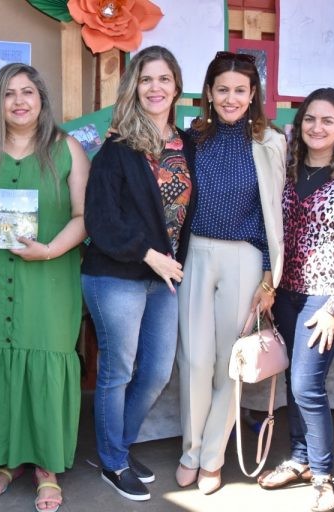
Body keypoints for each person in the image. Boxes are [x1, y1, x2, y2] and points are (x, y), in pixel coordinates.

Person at [0, 63, 90, 512]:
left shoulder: (67, 149)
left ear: (41, 98)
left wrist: (49, 250)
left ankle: (46, 467)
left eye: (27, 91)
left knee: (44, 358)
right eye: (9, 93)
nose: (19, 101)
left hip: (49, 279)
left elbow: (84, 217)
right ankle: (5, 459)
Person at [82, 45, 194, 502]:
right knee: (118, 371)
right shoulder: (118, 147)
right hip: (116, 275)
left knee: (157, 372)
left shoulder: (186, 145)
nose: (155, 87)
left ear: (176, 86)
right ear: (134, 87)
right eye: (146, 79)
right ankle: (113, 462)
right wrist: (148, 254)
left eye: (164, 79)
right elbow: (100, 219)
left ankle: (118, 448)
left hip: (164, 278)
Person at [256, 88, 334, 512]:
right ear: (299, 124)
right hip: (286, 293)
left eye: (327, 120)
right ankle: (299, 458)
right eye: (309, 118)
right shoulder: (288, 169)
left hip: (326, 298)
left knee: (308, 384)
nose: (317, 127)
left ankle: (323, 477)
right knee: (296, 380)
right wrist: (268, 287)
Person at [175, 51, 285, 494]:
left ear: (253, 93)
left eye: (240, 90)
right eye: (222, 89)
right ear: (208, 92)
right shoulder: (189, 140)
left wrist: (268, 278)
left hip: (245, 257)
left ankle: (212, 459)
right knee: (194, 360)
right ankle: (190, 450)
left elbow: (274, 214)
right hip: (195, 256)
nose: (231, 98)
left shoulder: (270, 142)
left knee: (228, 365)